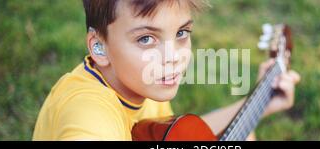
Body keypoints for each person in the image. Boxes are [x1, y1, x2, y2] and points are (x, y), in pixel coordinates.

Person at [33, 0, 300, 141]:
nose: (173, 58)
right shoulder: (87, 108)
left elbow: (184, 136)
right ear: (100, 48)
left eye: (182, 33)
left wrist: (262, 103)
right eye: (146, 39)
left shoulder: (141, 84)